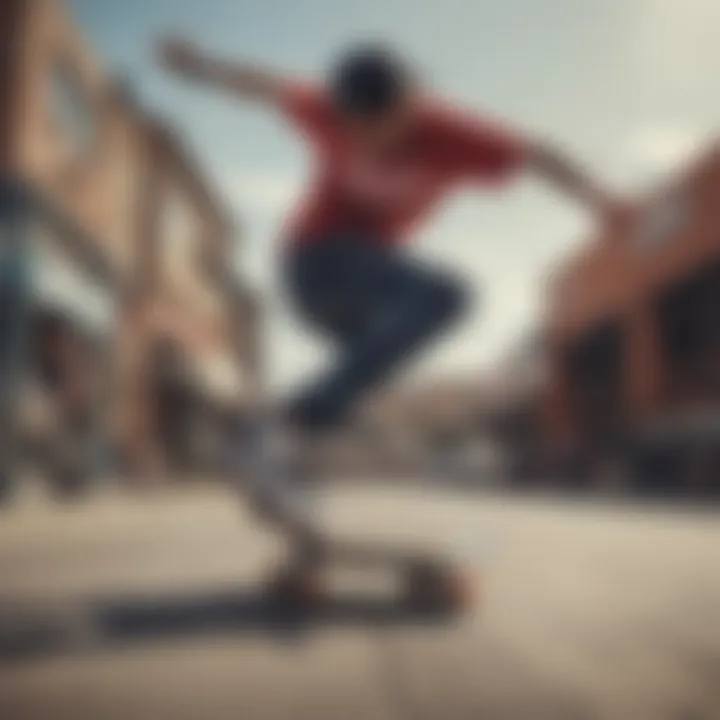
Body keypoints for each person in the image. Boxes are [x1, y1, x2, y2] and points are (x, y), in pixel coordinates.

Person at [157, 37, 629, 538]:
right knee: (448, 295)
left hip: (364, 294)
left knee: (375, 366)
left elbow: (540, 155)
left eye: (380, 130)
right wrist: (201, 68)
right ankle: (278, 428)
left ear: (410, 107)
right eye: (355, 131)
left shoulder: (453, 134)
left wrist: (598, 198)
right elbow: (266, 87)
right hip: (314, 264)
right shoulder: (325, 111)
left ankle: (286, 471)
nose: (366, 144)